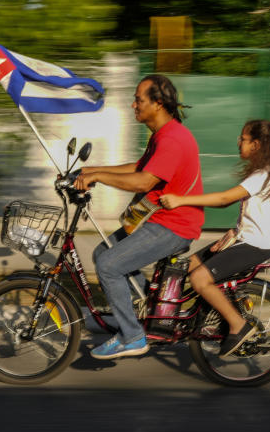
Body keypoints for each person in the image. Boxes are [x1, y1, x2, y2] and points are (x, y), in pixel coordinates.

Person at [74, 74, 204, 360]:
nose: (133, 105)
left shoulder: (172, 138)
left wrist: (98, 176)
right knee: (103, 252)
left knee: (109, 265)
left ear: (158, 104)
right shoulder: (162, 134)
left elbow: (144, 182)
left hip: (173, 224)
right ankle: (151, 309)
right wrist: (91, 170)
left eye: (138, 100)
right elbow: (138, 167)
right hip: (157, 218)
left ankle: (132, 336)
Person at [159, 119, 270, 357]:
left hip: (254, 246)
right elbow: (256, 214)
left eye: (243, 139)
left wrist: (181, 200)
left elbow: (223, 199)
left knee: (200, 279)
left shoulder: (262, 174)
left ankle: (237, 325)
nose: (238, 142)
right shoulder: (262, 173)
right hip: (245, 239)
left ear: (256, 144)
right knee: (188, 266)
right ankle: (176, 320)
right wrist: (235, 231)